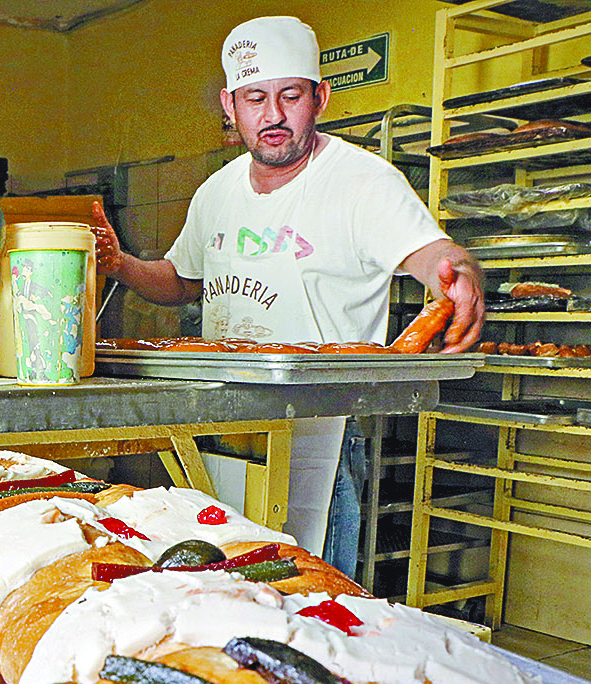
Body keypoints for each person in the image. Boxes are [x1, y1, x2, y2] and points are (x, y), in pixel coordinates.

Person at [91, 15, 486, 576]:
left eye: (290, 96)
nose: (273, 115)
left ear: (320, 97)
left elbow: (431, 253)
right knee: (231, 575)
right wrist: (121, 265)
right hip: (225, 423)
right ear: (230, 106)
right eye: (255, 98)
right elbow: (181, 280)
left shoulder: (361, 181)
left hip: (321, 427)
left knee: (309, 587)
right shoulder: (216, 192)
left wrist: (457, 272)